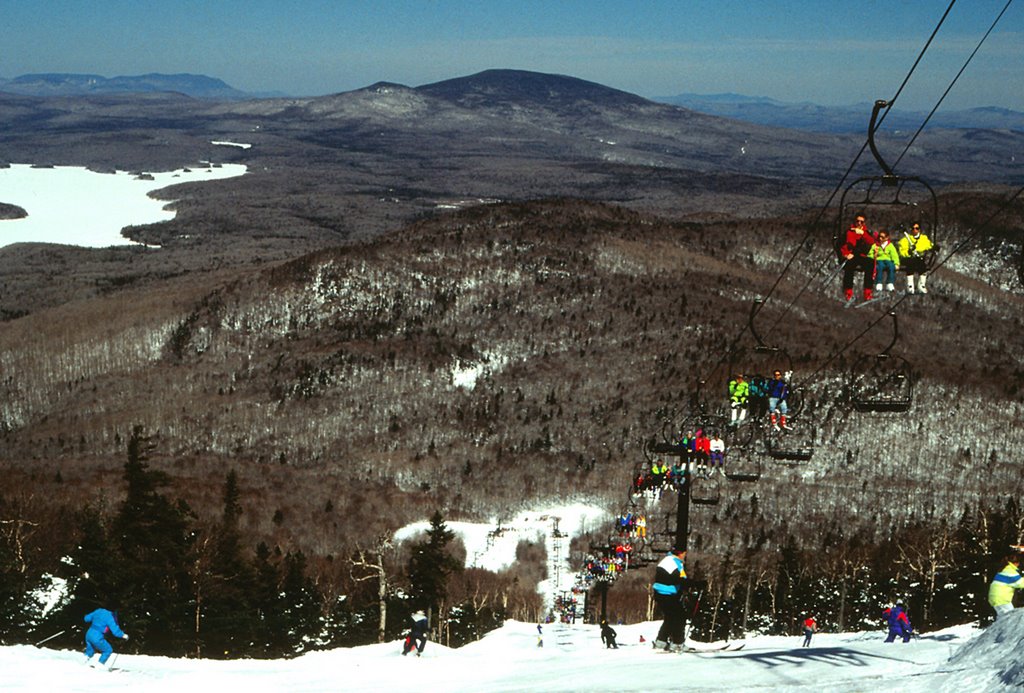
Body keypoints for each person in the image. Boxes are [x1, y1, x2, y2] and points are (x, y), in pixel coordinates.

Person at [652, 547, 689, 652]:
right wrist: (693, 584)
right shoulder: (672, 562)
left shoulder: (672, 561)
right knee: (678, 617)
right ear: (680, 553)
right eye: (684, 553)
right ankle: (677, 642)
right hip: (666, 593)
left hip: (665, 593)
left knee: (672, 617)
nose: (685, 556)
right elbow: (677, 579)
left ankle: (661, 642)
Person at [840, 213, 878, 303]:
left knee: (870, 264)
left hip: (861, 255)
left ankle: (867, 291)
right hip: (851, 255)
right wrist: (845, 254)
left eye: (861, 222)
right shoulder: (849, 232)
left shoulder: (866, 232)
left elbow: (871, 242)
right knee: (849, 266)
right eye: (857, 221)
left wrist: (863, 234)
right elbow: (843, 245)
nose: (859, 223)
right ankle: (848, 291)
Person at [898, 222, 934, 294]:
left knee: (922, 265)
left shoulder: (924, 239)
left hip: (918, 259)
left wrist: (934, 247)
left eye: (917, 228)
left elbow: (928, 245)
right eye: (913, 228)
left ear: (919, 230)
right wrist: (909, 252)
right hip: (908, 259)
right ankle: (910, 286)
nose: (915, 230)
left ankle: (921, 285)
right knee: (911, 264)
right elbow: (902, 252)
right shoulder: (905, 240)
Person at [988, 552, 1024, 618]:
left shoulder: (1005, 569)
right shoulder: (1010, 572)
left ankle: (999, 627)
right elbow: (1021, 583)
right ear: (1017, 563)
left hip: (996, 598)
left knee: (1003, 618)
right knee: (1010, 618)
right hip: (1002, 599)